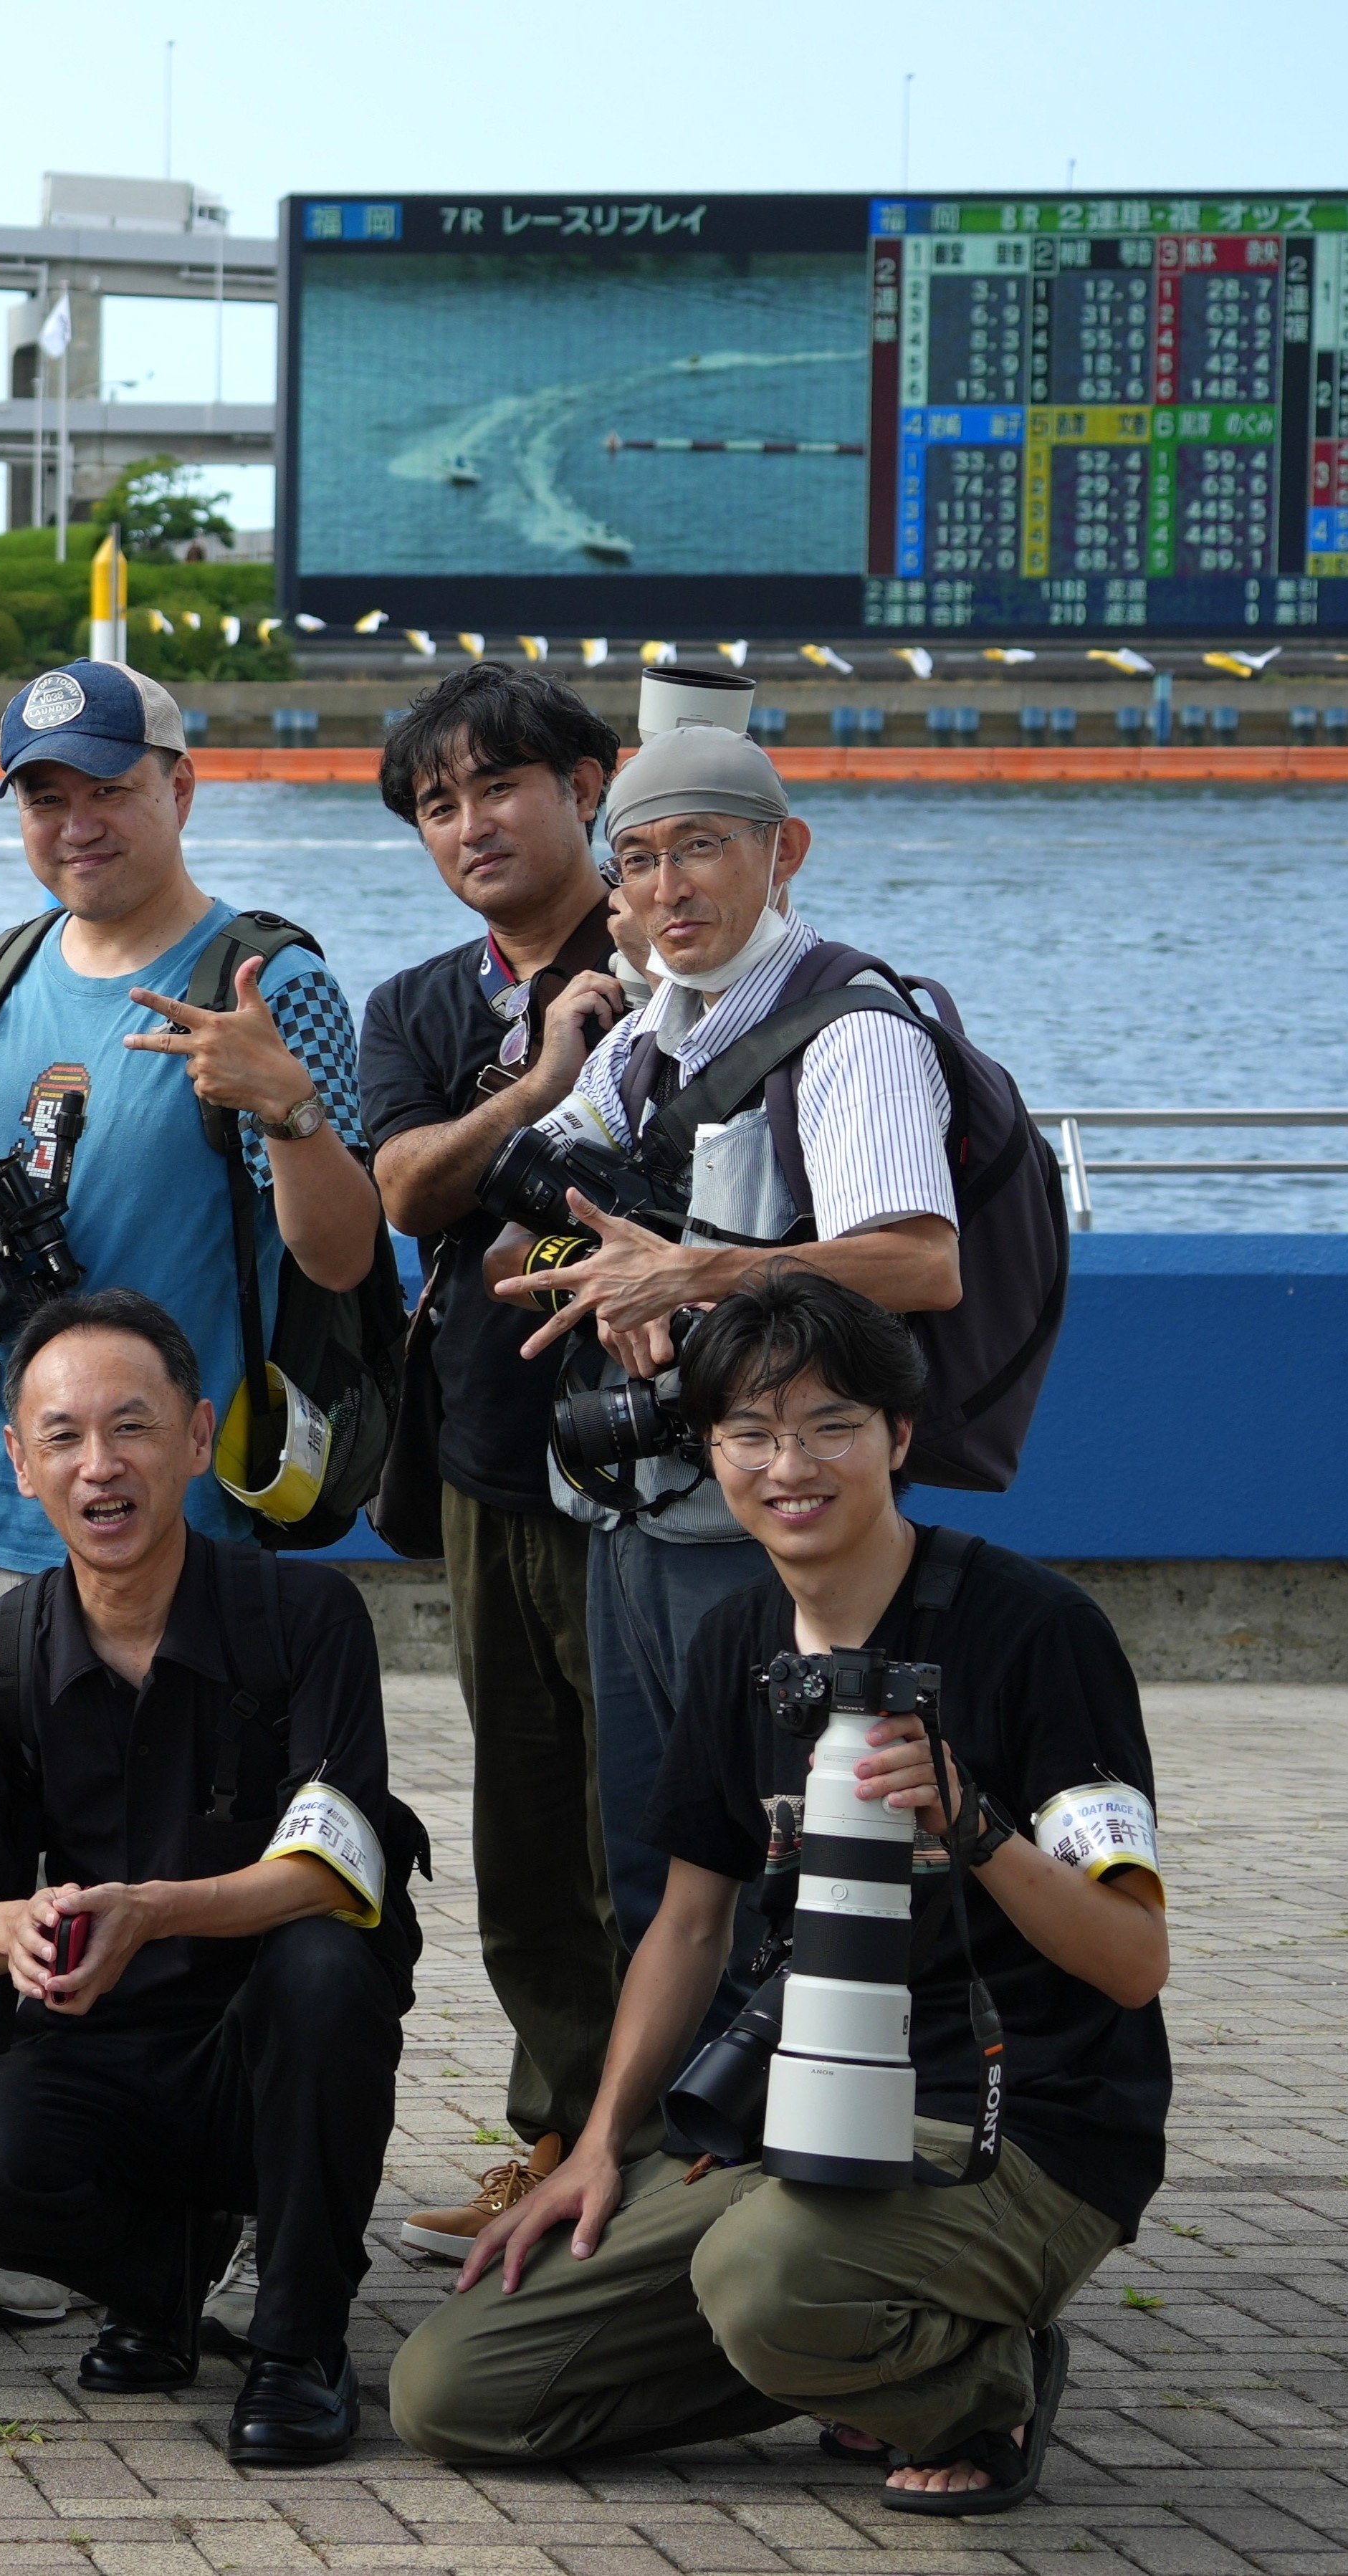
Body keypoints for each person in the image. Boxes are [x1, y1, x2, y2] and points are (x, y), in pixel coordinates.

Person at [393, 1270, 1169, 2515]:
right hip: (788, 2108)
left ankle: (973, 2387)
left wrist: (974, 1825)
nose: (788, 1467)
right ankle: (841, 2344)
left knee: (762, 2278)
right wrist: (596, 2145)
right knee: (455, 2392)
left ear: (899, 1436)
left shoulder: (1033, 1630)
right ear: (706, 1451)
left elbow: (1132, 1961)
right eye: (747, 1433)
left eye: (828, 1427)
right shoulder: (735, 1639)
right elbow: (689, 1923)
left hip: (1015, 2121)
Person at [0, 1288, 414, 2469]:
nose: (100, 1465)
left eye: (130, 1426)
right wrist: (14, 1928)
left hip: (273, 2051)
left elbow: (334, 1869)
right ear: (20, 1462)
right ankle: (164, 2282)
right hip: (103, 2050)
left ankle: (299, 2345)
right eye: (64, 1436)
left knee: (325, 1968)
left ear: (196, 1436)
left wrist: (153, 1912)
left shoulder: (305, 1615)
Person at [487, 728, 963, 1957]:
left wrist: (695, 1272)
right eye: (637, 859)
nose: (666, 888)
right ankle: (674, 2091)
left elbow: (919, 1262)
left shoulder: (852, 1033)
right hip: (639, 1522)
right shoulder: (641, 1040)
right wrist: (603, 1276)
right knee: (655, 1868)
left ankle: (808, 2082)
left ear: (782, 850)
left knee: (787, 1871)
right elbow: (509, 1246)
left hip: (786, 1522)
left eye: (698, 847)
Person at [0, 663, 381, 1663]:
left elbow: (340, 1257)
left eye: (110, 790)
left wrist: (287, 1110)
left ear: (180, 788)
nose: (77, 825)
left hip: (157, 1522)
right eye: (45, 799)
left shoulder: (264, 984)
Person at [354, 664, 632, 2259]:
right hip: (483, 1456)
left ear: (585, 787)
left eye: (498, 785)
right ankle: (556, 2132)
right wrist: (536, 1084)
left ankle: (666, 2143)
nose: (467, 824)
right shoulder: (418, 1006)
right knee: (523, 1827)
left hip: (659, 1471)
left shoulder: (670, 956)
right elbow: (402, 1190)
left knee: (643, 1816)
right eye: (434, 803)